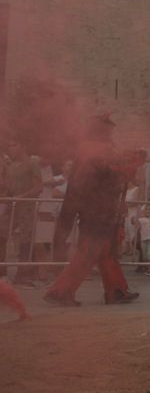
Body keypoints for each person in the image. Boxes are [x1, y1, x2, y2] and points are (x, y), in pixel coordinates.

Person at [45, 115, 139, 306]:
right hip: (97, 211)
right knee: (88, 253)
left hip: (98, 210)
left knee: (105, 252)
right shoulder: (97, 151)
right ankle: (60, 291)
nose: (111, 134)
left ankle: (116, 290)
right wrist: (129, 164)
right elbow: (111, 174)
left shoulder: (88, 150)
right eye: (109, 130)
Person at [2, 141, 43, 286]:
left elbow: (39, 187)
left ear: (23, 146)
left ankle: (23, 276)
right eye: (10, 146)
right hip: (11, 207)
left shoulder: (32, 164)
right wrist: (5, 196)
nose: (11, 149)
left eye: (14, 145)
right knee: (1, 236)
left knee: (25, 242)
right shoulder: (10, 166)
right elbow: (9, 188)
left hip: (27, 208)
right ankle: (2, 272)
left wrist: (22, 197)